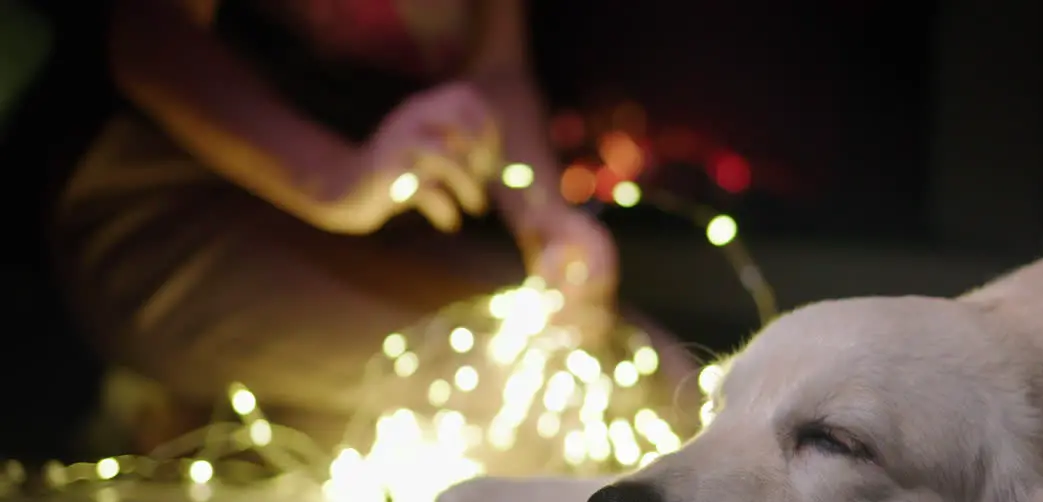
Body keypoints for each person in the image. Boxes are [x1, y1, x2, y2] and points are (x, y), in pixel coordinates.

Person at [52, 0, 694, 451]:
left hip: (375, 235)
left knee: (654, 377)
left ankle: (220, 414)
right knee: (547, 407)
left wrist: (548, 221)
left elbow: (496, 71)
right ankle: (195, 407)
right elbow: (148, 35)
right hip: (169, 218)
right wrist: (335, 180)